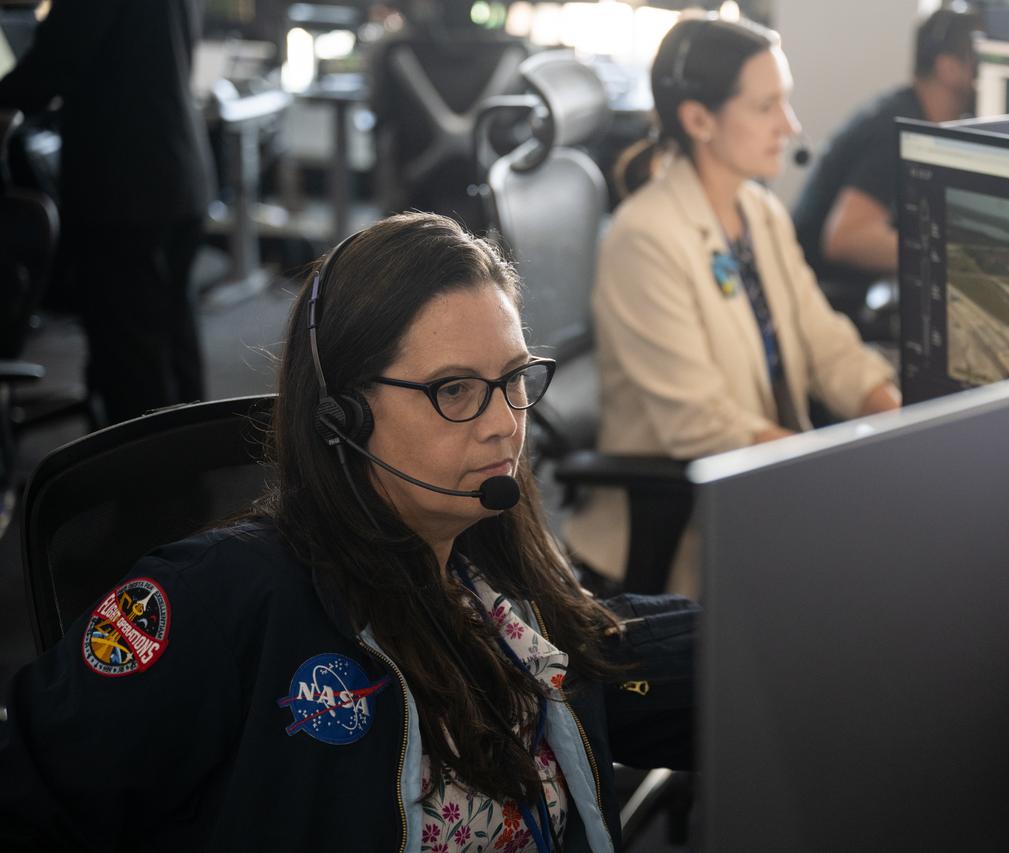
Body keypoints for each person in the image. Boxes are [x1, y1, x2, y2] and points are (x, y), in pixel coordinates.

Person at [0, 213, 694, 852]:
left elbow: (599, 654)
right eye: (454, 389)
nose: (503, 422)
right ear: (343, 414)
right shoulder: (217, 599)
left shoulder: (491, 572)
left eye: (513, 378)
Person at [564, 15, 900, 598]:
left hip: (764, 486)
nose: (790, 125)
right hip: (688, 526)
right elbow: (701, 422)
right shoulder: (645, 237)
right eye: (767, 107)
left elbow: (825, 341)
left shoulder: (758, 212)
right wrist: (832, 468)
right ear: (699, 120)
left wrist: (894, 417)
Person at [0, 0, 214, 424]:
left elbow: (55, 61)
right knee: (173, 330)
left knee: (131, 350)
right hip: (179, 169)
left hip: (126, 184)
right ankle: (195, 452)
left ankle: (143, 462)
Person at [791, 8, 979, 326]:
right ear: (948, 68)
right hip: (826, 307)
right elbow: (846, 238)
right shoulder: (896, 131)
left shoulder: (911, 111)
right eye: (979, 64)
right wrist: (956, 260)